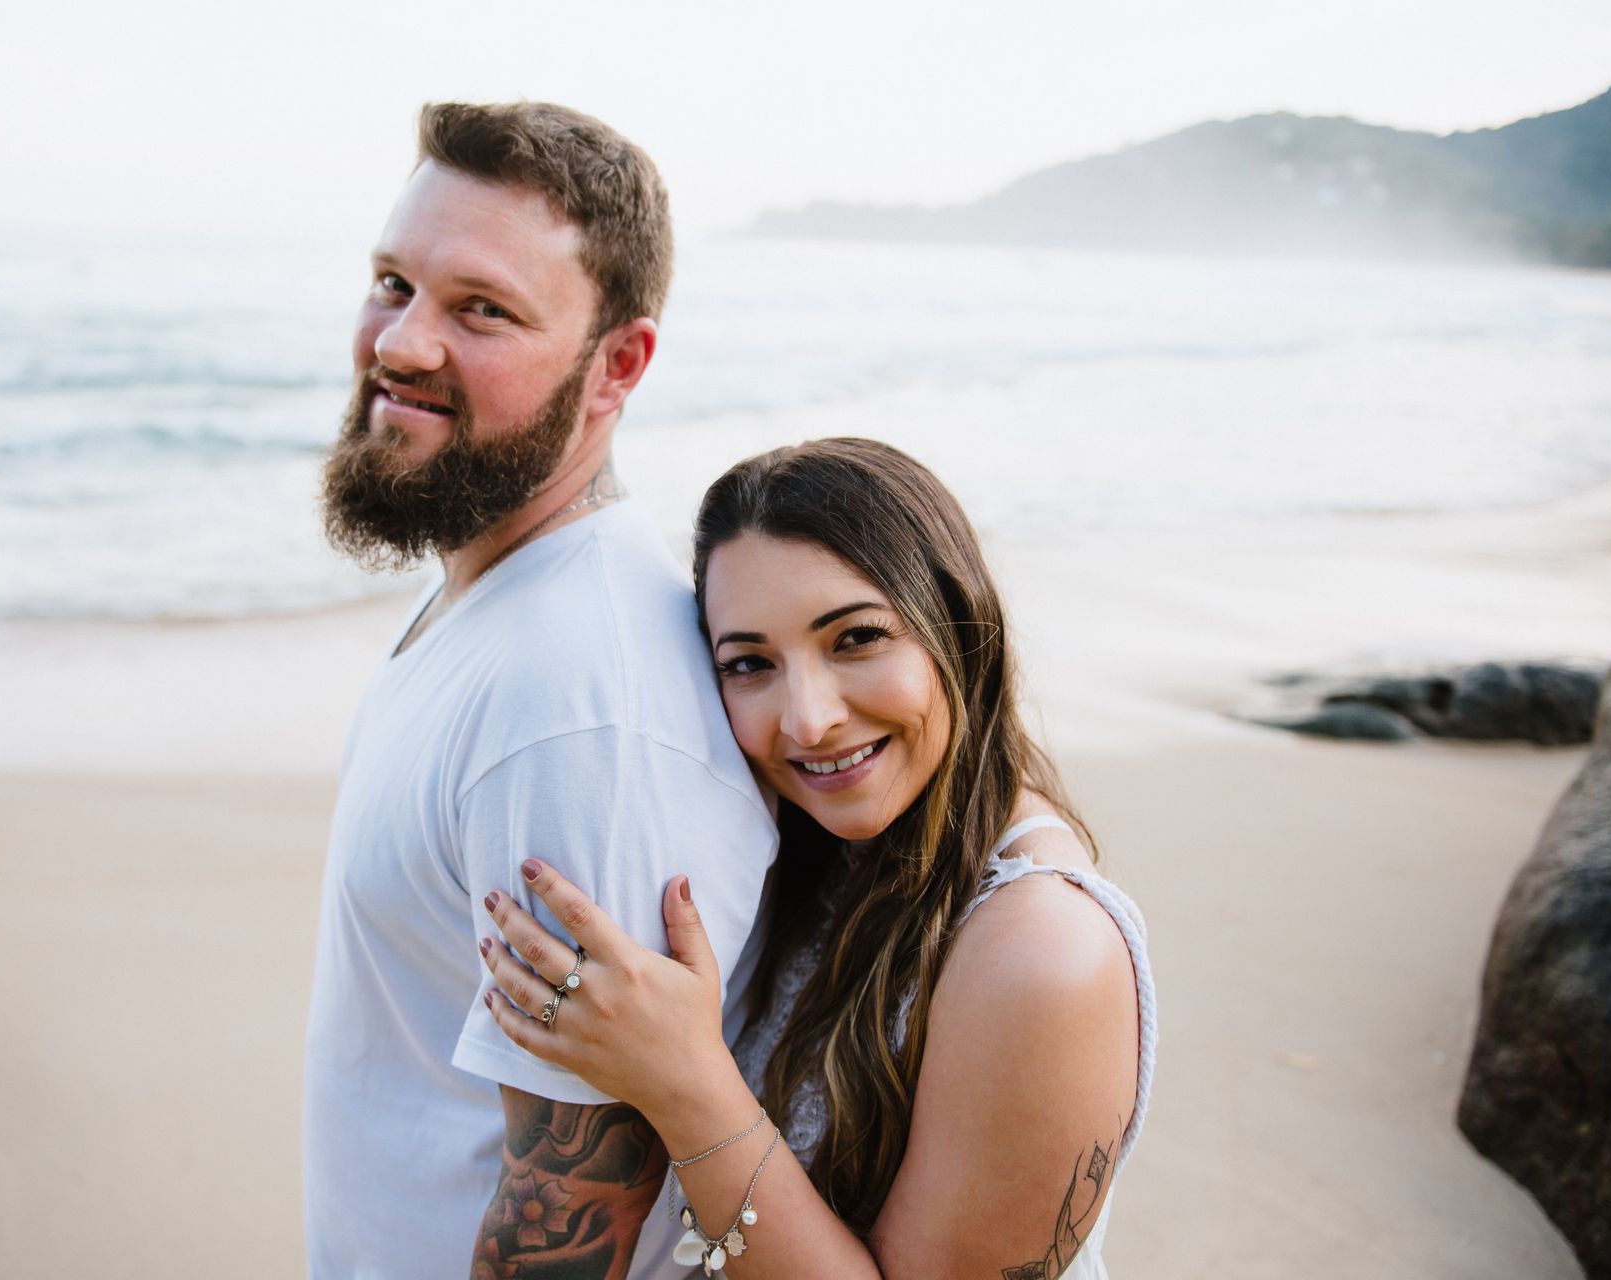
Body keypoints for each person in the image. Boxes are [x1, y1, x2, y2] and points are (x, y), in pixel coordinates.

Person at [478, 438, 1157, 1277]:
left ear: (960, 625)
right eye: (750, 664)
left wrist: (684, 1082)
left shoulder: (1044, 953)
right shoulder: (816, 850)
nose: (806, 719)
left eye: (856, 638)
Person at [303, 102, 777, 1280]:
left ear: (617, 364)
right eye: (393, 283)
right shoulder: (499, 590)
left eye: (483, 309)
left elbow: (573, 1218)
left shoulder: (578, 703)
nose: (402, 343)